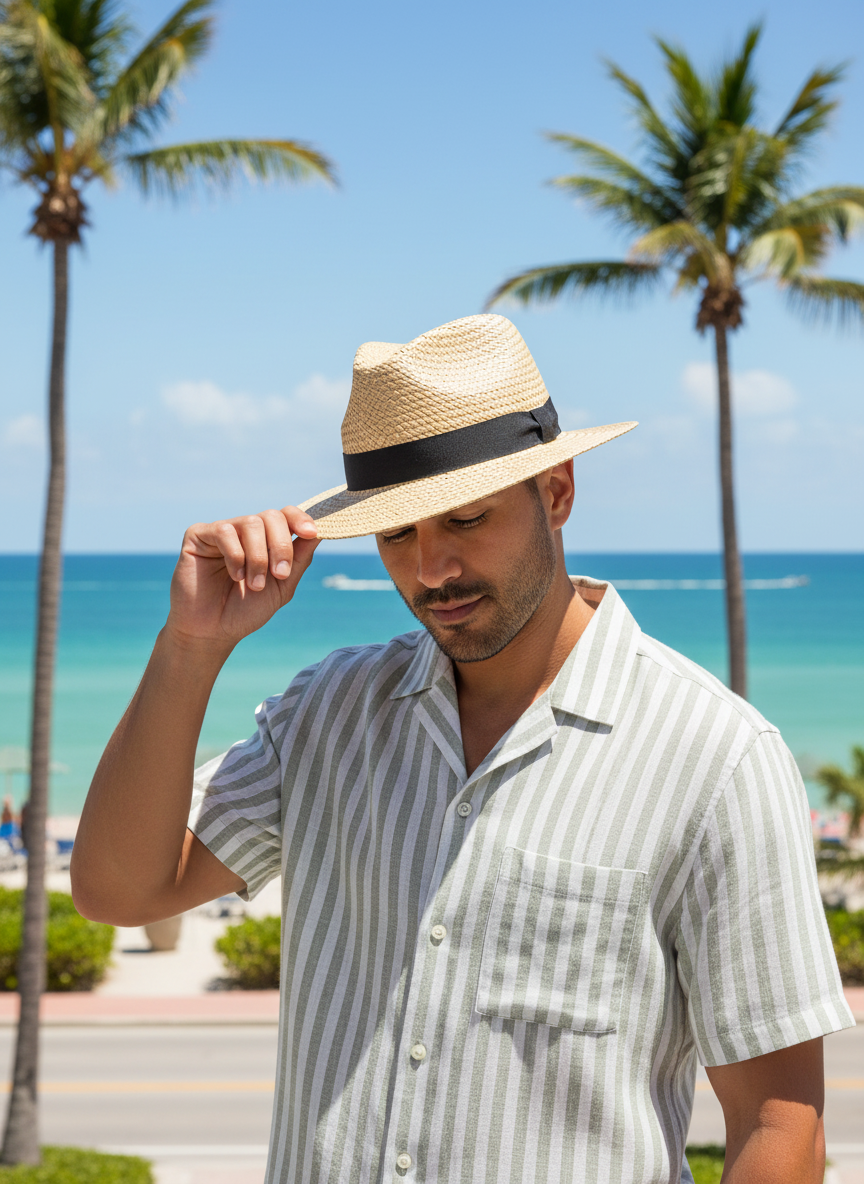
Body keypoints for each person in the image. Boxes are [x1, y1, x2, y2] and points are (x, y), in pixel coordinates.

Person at [72, 315, 853, 1184]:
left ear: (556, 492)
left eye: (466, 519)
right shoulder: (327, 713)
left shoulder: (715, 758)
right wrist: (191, 648)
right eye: (397, 534)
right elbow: (121, 889)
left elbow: (779, 1126)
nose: (431, 568)